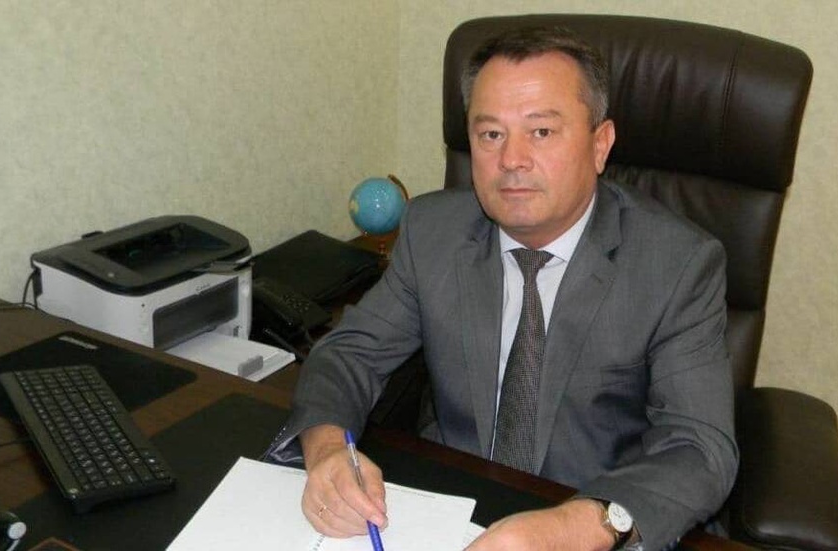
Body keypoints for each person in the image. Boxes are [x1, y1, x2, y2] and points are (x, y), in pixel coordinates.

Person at [266, 26, 738, 551]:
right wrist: (328, 448)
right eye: (491, 134)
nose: (511, 159)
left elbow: (699, 449)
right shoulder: (434, 231)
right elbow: (349, 353)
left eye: (542, 131)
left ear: (600, 144)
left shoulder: (676, 264)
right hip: (448, 511)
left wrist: (575, 528)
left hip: (596, 520)